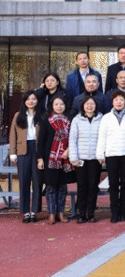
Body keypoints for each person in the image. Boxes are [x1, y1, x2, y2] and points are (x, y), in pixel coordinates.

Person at [96, 90, 125, 223]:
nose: (119, 102)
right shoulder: (106, 118)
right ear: (112, 102)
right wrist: (100, 154)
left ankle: (123, 212)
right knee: (113, 184)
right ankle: (114, 212)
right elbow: (102, 137)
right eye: (116, 100)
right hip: (111, 154)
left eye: (121, 100)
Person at [37, 95, 74, 224]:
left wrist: (68, 150)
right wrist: (40, 159)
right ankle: (51, 214)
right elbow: (41, 141)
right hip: (50, 159)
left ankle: (61, 213)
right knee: (51, 187)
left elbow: (73, 138)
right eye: (56, 104)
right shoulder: (47, 121)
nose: (59, 107)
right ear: (52, 106)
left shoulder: (69, 121)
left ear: (65, 106)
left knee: (62, 188)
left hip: (65, 159)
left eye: (61, 104)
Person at [9, 91, 43, 223]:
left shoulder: (42, 115)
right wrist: (12, 153)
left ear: (37, 101)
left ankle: (34, 211)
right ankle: (25, 211)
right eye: (28, 99)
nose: (31, 101)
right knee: (24, 181)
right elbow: (13, 135)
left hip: (37, 150)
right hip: (22, 150)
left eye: (33, 99)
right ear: (24, 101)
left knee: (37, 181)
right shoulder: (18, 115)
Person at [69, 95, 103, 223]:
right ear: (83, 106)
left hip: (95, 158)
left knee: (93, 186)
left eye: (92, 104)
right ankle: (82, 214)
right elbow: (72, 139)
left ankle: (91, 213)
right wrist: (73, 157)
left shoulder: (101, 119)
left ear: (96, 106)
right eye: (87, 104)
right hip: (81, 159)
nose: (90, 106)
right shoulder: (77, 120)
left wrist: (101, 155)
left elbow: (103, 139)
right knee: (82, 186)